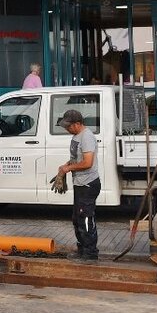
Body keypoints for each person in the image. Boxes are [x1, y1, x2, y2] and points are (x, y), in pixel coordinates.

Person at [56, 109, 100, 262]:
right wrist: (64, 167)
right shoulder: (76, 137)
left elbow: (88, 162)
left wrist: (69, 168)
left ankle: (90, 253)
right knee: (77, 218)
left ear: (78, 124)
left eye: (69, 126)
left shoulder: (87, 137)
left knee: (86, 219)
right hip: (80, 184)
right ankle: (82, 249)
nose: (67, 129)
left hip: (88, 184)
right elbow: (76, 159)